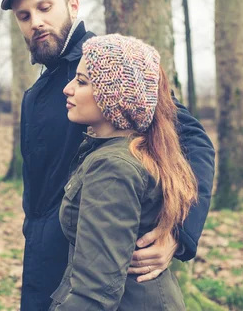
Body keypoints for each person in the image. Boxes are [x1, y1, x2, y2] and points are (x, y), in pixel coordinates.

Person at [1, 0, 215, 311]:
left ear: (72, 6)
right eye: (24, 16)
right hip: (45, 260)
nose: (35, 22)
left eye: (45, 8)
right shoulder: (36, 91)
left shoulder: (110, 66)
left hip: (97, 259)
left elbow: (191, 140)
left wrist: (178, 233)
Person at [49, 33, 196, 310]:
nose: (68, 89)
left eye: (81, 81)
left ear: (113, 97)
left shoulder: (113, 168)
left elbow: (94, 293)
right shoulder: (129, 151)